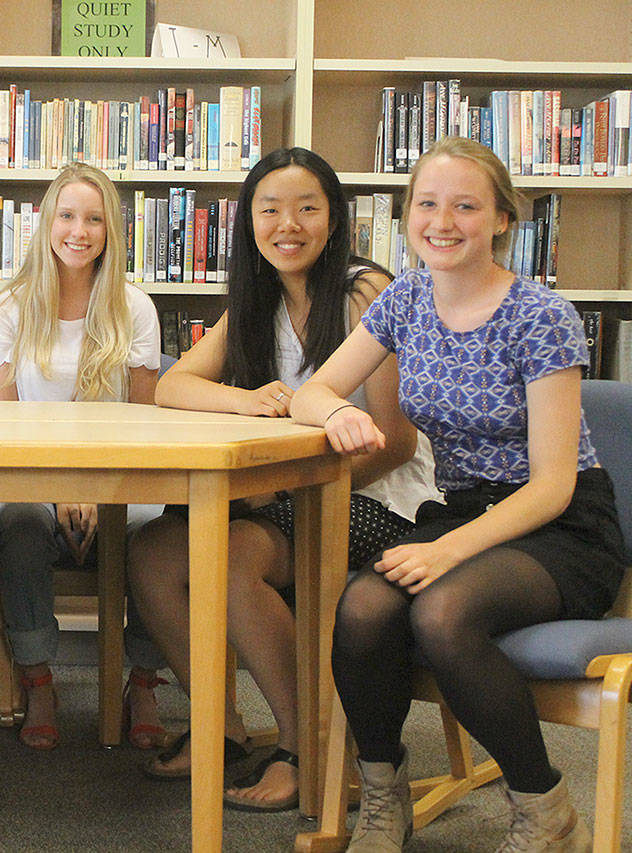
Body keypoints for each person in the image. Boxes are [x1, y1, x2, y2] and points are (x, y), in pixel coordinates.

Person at [290, 135, 625, 851]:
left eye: (466, 206)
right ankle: (383, 799)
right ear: (408, 214)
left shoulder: (541, 316)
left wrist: (446, 552)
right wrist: (340, 411)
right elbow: (310, 392)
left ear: (502, 218)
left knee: (442, 613)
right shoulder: (405, 298)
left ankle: (545, 810)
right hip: (467, 512)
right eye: (428, 203)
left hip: (559, 526)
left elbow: (554, 485)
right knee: (363, 605)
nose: (443, 221)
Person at [126, 147, 438, 812]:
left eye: (305, 208)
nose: (286, 224)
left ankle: (308, 748)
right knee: (151, 552)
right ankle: (222, 727)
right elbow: (174, 385)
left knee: (235, 558)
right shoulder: (261, 301)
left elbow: (395, 439)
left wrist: (296, 491)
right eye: (269, 209)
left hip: (380, 496)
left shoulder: (362, 292)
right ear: (251, 223)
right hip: (286, 498)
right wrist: (243, 400)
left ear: (334, 220)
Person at [0, 162, 169, 752]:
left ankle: (143, 680)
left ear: (112, 229)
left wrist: (96, 488)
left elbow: (143, 425)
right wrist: (62, 488)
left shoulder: (135, 309)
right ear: (46, 223)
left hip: (119, 483)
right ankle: (38, 680)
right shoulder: (9, 310)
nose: (79, 231)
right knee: (20, 524)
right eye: (67, 216)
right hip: (34, 480)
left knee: (157, 534)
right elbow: (6, 430)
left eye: (94, 218)